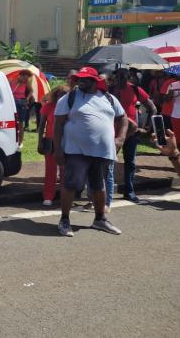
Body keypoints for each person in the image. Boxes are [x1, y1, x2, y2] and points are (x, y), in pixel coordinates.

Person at [53, 66, 127, 237]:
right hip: (75, 150)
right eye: (79, 78)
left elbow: (123, 118)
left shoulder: (109, 98)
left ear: (95, 81)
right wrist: (58, 150)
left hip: (101, 151)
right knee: (71, 184)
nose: (80, 81)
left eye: (85, 78)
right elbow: (57, 125)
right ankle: (64, 220)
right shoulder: (69, 98)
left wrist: (121, 138)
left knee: (98, 185)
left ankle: (100, 219)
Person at [110, 67, 156, 204]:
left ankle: (129, 191)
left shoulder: (135, 89)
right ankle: (108, 192)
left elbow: (152, 107)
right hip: (113, 133)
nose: (120, 80)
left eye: (123, 77)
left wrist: (147, 128)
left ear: (128, 77)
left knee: (130, 162)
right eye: (117, 77)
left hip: (131, 132)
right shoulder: (110, 91)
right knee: (110, 162)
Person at [37, 85, 69, 206]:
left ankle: (64, 196)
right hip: (50, 142)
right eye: (60, 94)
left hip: (66, 142)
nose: (62, 97)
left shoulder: (70, 107)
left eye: (65, 95)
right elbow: (41, 126)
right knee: (50, 170)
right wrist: (40, 141)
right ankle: (48, 196)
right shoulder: (48, 107)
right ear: (55, 95)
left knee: (65, 171)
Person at [11, 70, 33, 146]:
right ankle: (13, 140)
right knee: (13, 122)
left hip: (22, 103)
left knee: (20, 123)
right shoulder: (12, 81)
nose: (25, 79)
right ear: (20, 75)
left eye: (27, 78)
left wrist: (27, 99)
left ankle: (20, 142)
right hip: (13, 102)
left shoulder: (26, 83)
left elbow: (31, 91)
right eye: (24, 77)